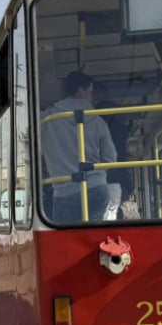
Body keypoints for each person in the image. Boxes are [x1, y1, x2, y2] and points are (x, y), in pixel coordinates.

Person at [41, 70, 117, 222]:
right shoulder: (98, 122)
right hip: (96, 188)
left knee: (66, 242)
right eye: (90, 91)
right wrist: (98, 174)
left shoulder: (46, 119)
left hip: (63, 191)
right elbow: (110, 158)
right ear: (80, 91)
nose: (92, 96)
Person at [93, 85, 136, 220]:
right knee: (111, 210)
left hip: (92, 176)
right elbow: (119, 153)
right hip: (113, 176)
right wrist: (128, 183)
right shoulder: (116, 125)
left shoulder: (91, 118)